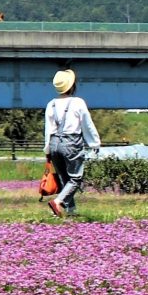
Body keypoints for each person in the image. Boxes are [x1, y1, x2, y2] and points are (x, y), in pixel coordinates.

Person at [44, 69, 100, 217]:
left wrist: (48, 150)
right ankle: (58, 202)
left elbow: (48, 129)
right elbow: (87, 125)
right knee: (75, 178)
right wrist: (94, 143)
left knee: (64, 179)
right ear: (72, 85)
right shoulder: (78, 102)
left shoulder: (51, 104)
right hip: (71, 142)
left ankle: (70, 211)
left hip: (54, 142)